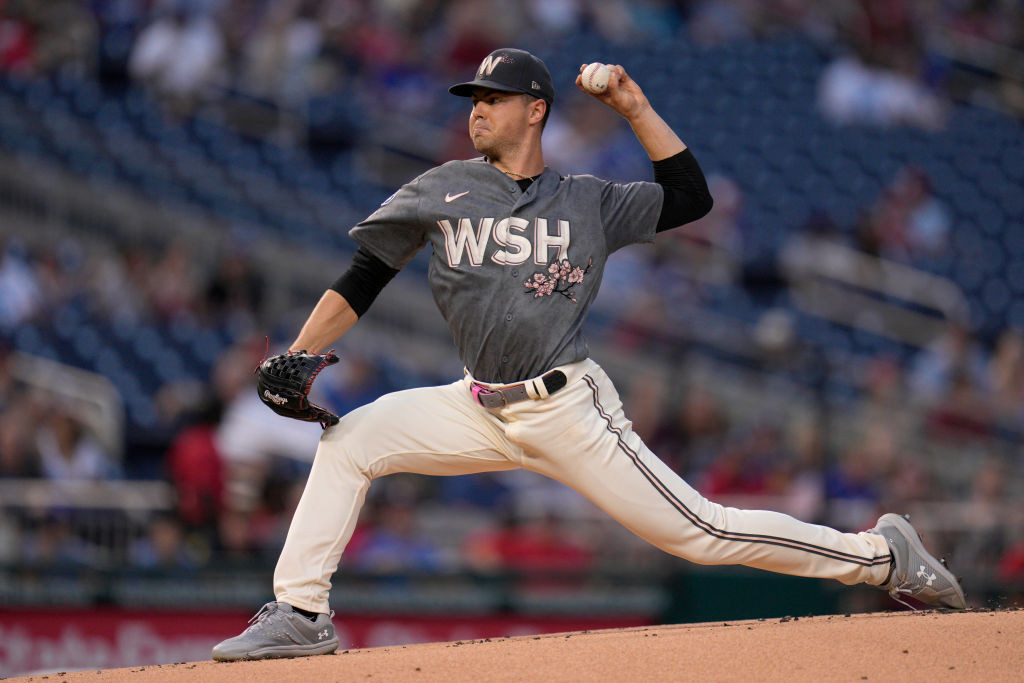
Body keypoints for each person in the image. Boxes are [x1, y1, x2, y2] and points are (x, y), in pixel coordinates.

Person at [212, 48, 965, 662]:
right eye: (472, 97)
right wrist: (302, 350)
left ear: (534, 109)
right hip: (475, 404)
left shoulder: (588, 199)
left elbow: (690, 197)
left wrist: (632, 106)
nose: (476, 108)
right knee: (350, 441)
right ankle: (302, 611)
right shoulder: (441, 189)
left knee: (701, 532)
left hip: (567, 406)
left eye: (494, 97)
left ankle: (882, 555)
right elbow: (365, 276)